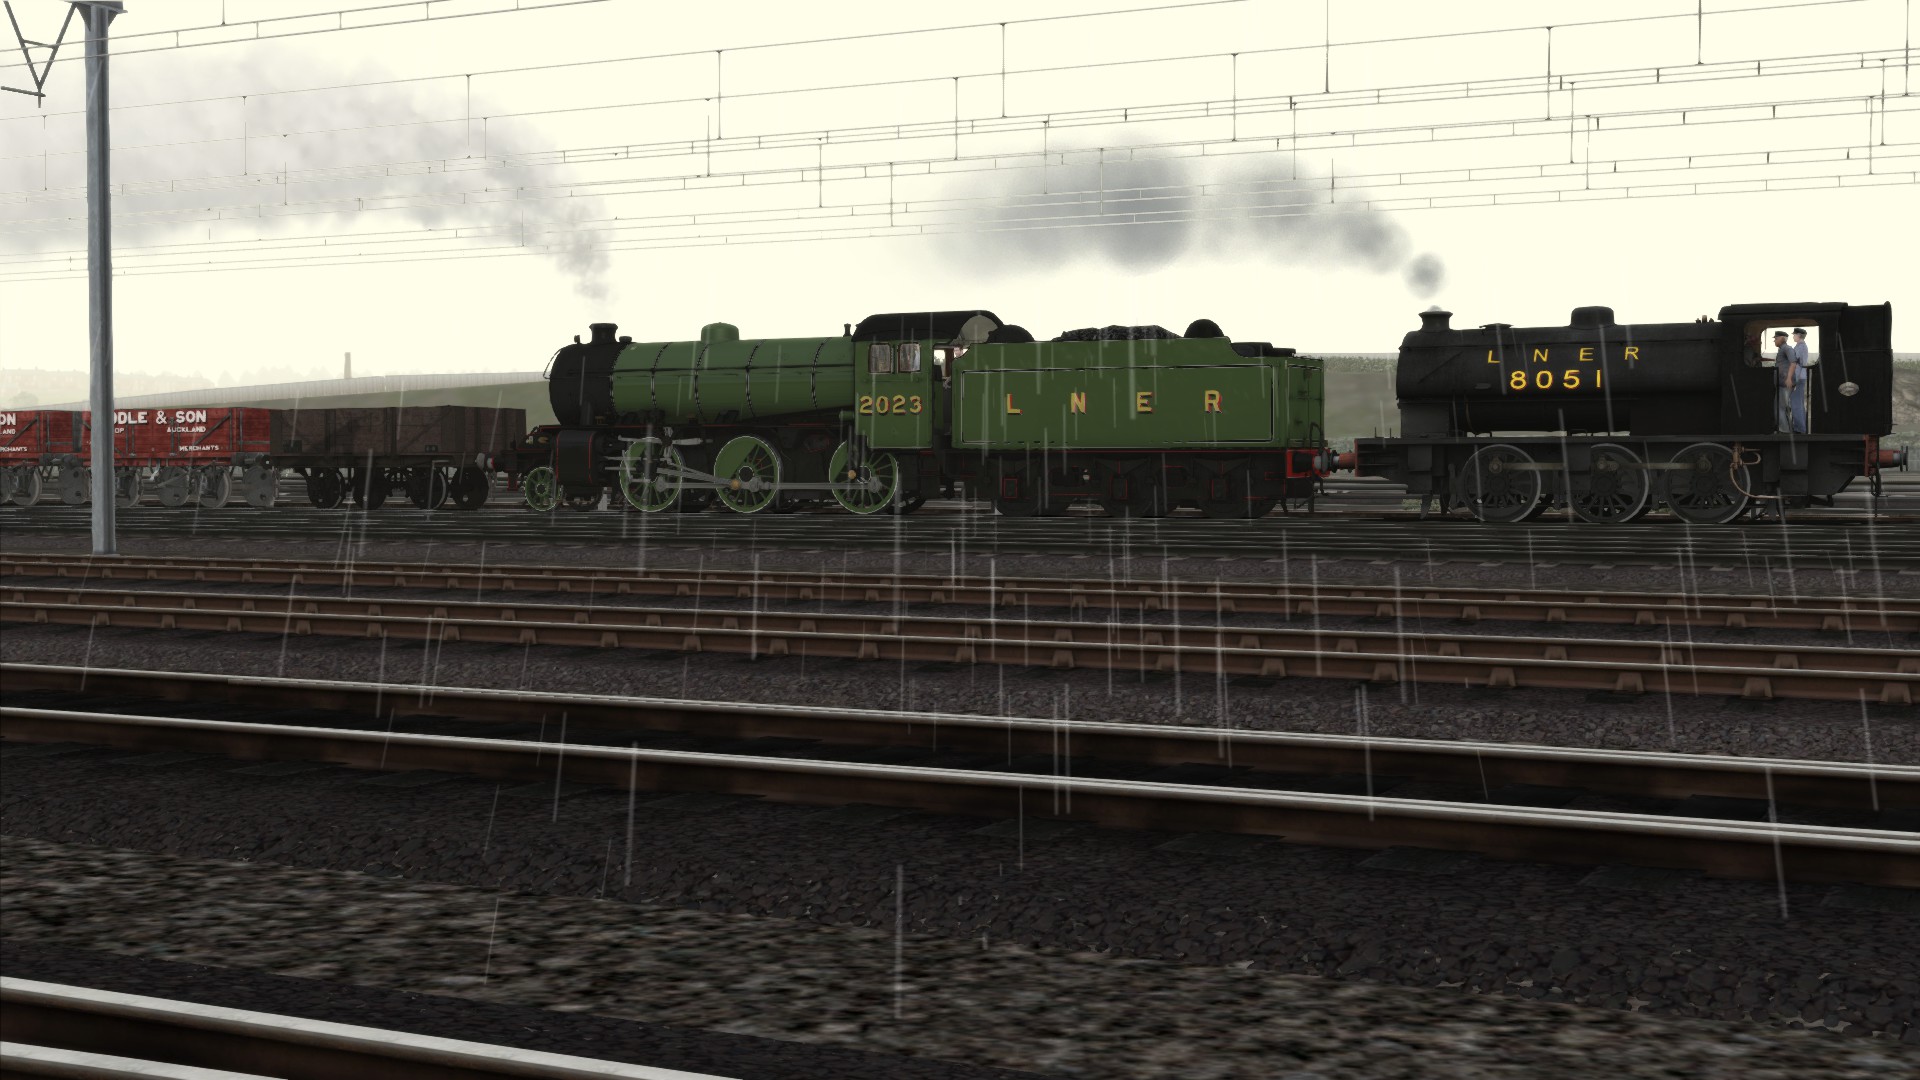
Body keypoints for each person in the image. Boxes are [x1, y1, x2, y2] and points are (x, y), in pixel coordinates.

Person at [1772, 330, 1807, 434]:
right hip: (1783, 382)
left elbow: (1793, 363)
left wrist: (1789, 378)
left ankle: (1785, 431)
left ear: (1782, 339)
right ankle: (1788, 429)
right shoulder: (1784, 349)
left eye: (1776, 338)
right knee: (1783, 407)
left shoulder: (1787, 349)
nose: (1774, 340)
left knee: (1780, 408)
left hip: (1785, 383)